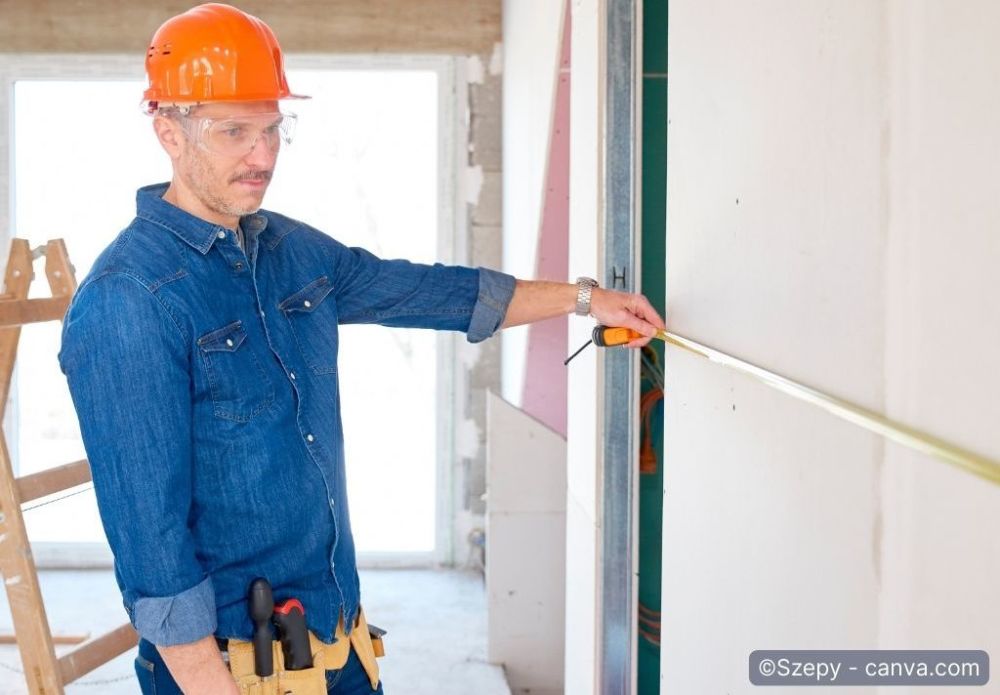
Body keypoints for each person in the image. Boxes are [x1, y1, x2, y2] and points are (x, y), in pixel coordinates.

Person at [58, 4, 664, 694]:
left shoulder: (287, 249)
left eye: (272, 129)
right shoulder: (128, 298)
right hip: (230, 666)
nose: (263, 156)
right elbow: (151, 539)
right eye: (234, 132)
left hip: (333, 635)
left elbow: (425, 291)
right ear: (168, 131)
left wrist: (584, 299)